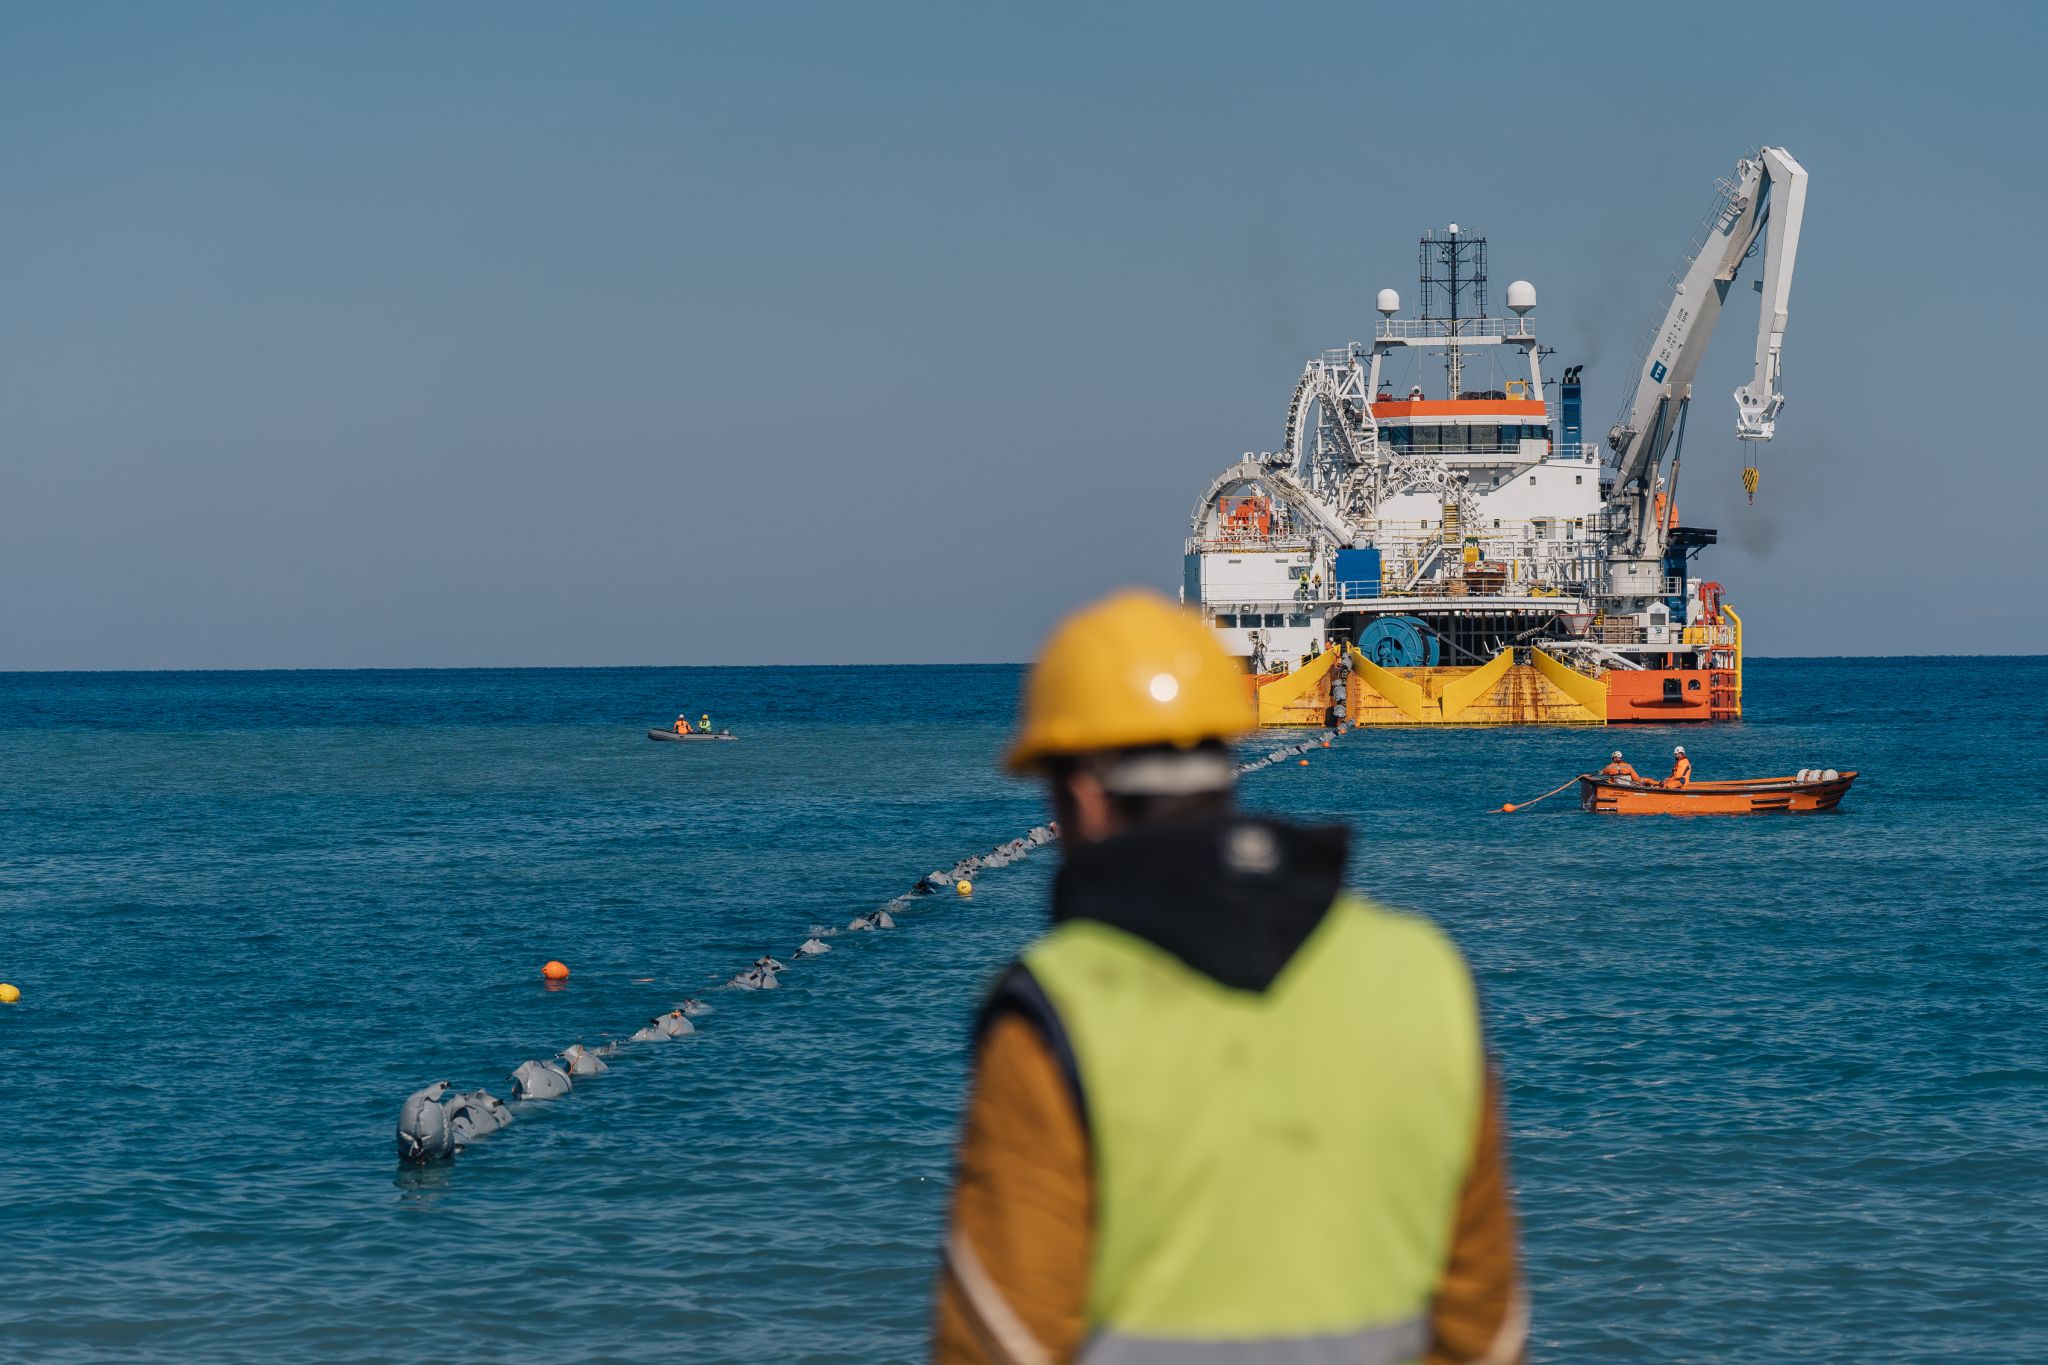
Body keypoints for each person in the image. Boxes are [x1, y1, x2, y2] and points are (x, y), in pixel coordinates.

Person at [934, 589, 1524, 1364]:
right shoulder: (1426, 975)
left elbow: (997, 1342)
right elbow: (1489, 1334)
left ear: (1079, 790)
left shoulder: (1055, 1012)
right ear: (1226, 763)